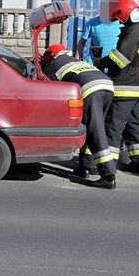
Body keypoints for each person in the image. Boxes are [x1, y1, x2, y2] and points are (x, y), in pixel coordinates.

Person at [41, 44, 117, 189]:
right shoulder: (74, 61)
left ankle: (108, 176)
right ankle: (85, 167)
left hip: (91, 91)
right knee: (91, 129)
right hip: (107, 87)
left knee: (96, 133)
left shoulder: (54, 66)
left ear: (51, 56)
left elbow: (45, 86)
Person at [98, 0, 139, 174]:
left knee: (113, 126)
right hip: (136, 85)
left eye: (119, 17)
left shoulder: (134, 30)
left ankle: (108, 168)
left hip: (124, 86)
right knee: (133, 125)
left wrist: (102, 62)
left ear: (124, 12)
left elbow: (120, 58)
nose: (119, 21)